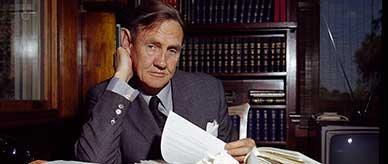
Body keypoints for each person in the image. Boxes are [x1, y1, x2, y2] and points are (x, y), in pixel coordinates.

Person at [74, 0, 255, 163]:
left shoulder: (209, 91)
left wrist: (246, 156)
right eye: (152, 46)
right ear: (127, 42)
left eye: (172, 51)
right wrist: (121, 76)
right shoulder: (107, 97)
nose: (161, 62)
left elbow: (229, 157)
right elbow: (93, 160)